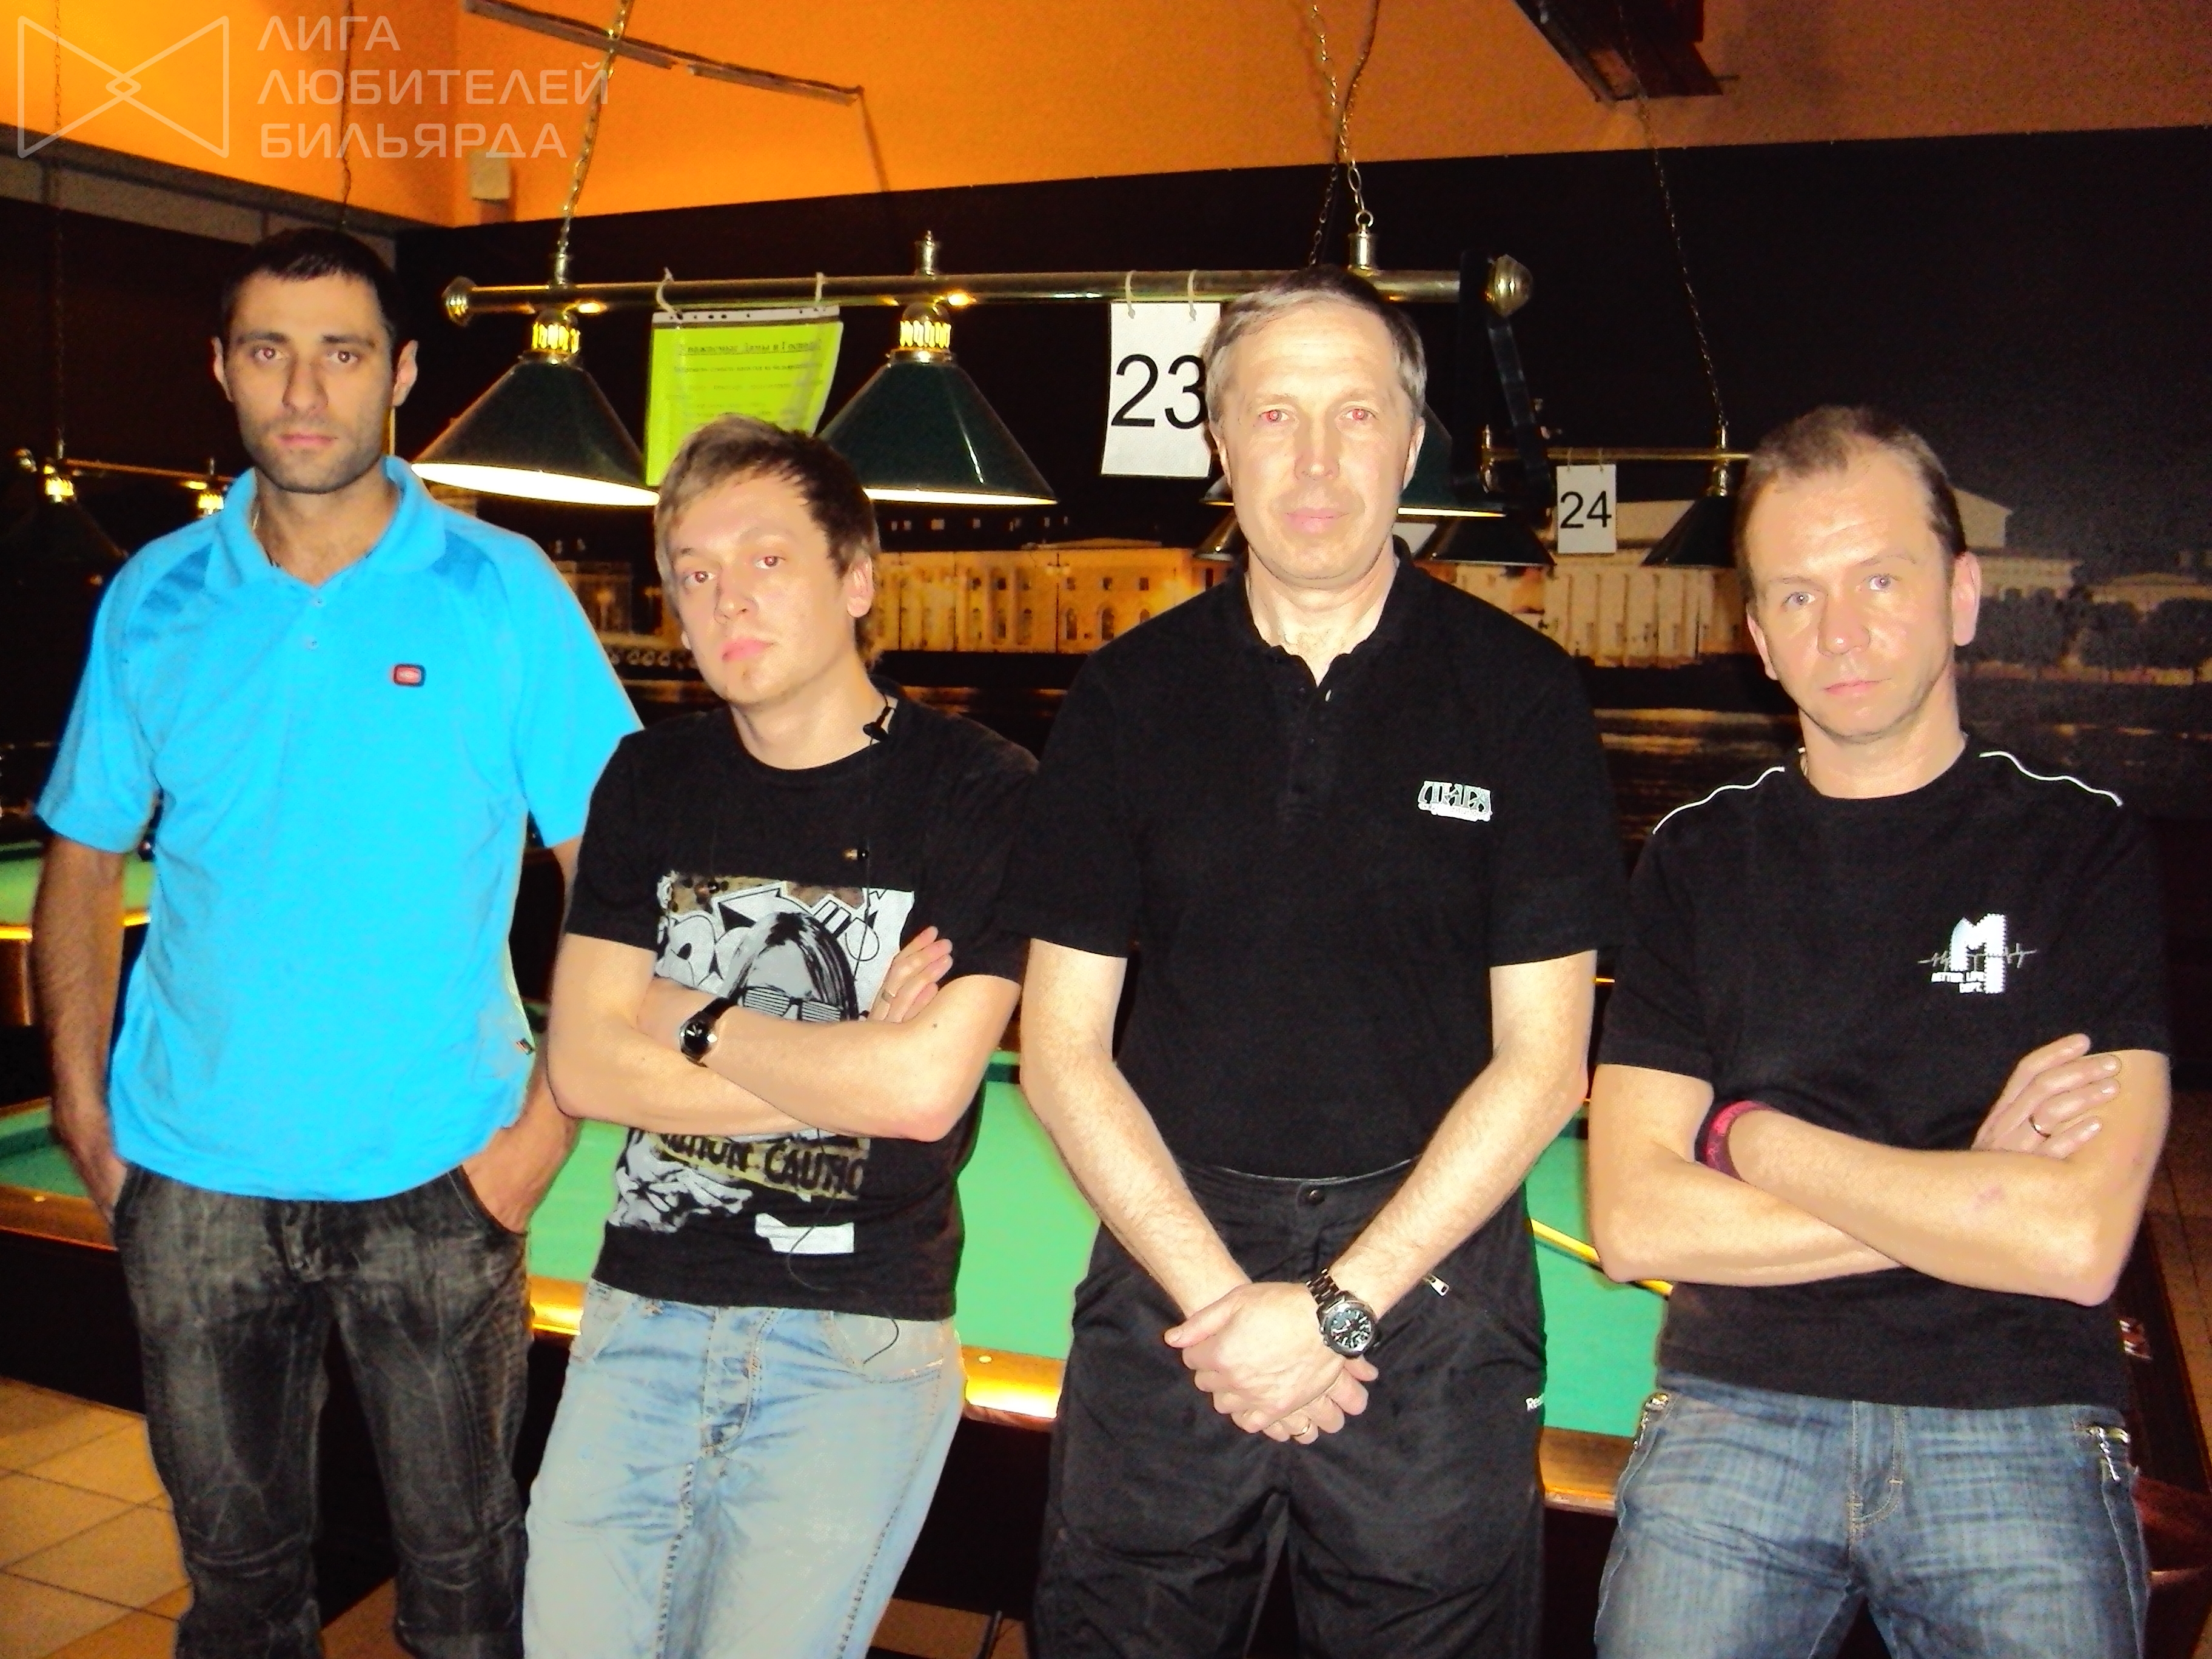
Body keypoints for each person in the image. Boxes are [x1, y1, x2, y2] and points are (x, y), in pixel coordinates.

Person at [999, 266, 1628, 1657]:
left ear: (1411, 446)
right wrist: (1226, 1305)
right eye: (1276, 415)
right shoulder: (1125, 697)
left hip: (1432, 1278)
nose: (1318, 460)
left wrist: (1339, 1306)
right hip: (1175, 1274)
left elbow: (1545, 1064)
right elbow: (1062, 1049)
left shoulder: (1522, 698)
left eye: (1357, 414)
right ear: (1220, 445)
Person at [32, 227, 638, 1658]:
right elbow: (81, 858)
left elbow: (614, 873)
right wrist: (83, 1115)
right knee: (237, 1597)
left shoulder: (503, 590)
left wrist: (541, 1135)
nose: (305, 391)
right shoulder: (154, 595)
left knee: (465, 1594)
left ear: (403, 375)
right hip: (192, 1180)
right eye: (270, 351)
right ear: (223, 369)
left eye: (343, 353)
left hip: (441, 1175)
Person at [1587, 406, 2169, 1658]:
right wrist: (1972, 1190)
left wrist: (1752, 1140)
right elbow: (1635, 1222)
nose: (1839, 631)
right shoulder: (1696, 859)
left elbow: (2073, 1242)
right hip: (1736, 1408)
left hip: (2016, 1413)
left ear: (1962, 596)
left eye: (1880, 580)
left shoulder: (2083, 848)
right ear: (1758, 638)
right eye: (1797, 596)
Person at [525, 415, 1034, 1659]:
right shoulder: (646, 779)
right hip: (640, 1316)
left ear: (857, 579)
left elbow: (922, 1093)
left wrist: (685, 1013)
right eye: (694, 572)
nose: (726, 599)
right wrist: (848, 1060)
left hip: (853, 1343)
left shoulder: (983, 789)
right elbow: (582, 1065)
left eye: (766, 559)